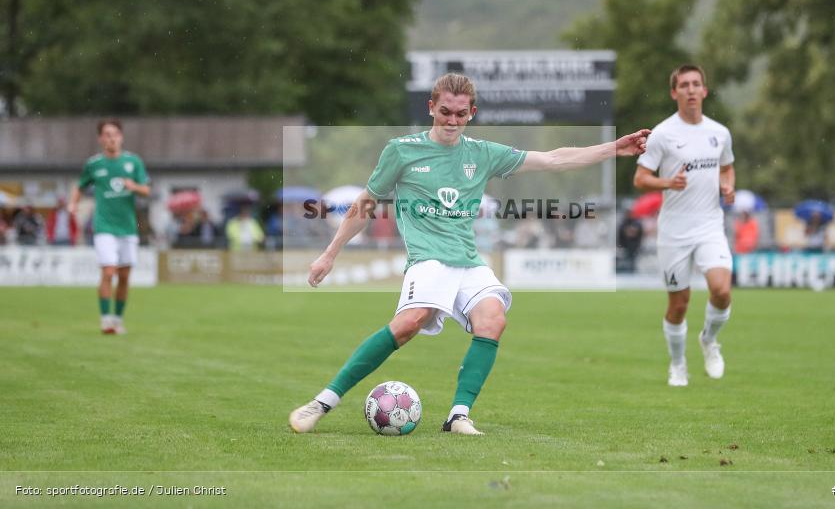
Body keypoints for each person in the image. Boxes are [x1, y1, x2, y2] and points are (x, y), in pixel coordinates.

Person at [290, 73, 650, 435]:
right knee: (409, 323)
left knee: (493, 320)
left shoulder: (481, 154)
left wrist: (614, 148)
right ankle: (322, 402)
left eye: (461, 114)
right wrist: (330, 254)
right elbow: (365, 204)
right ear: (431, 107)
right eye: (445, 111)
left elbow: (554, 159)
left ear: (471, 113)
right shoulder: (401, 150)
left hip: (468, 260)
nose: (452, 120)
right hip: (428, 259)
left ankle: (458, 416)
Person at [633, 64, 735, 387]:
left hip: (709, 225)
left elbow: (727, 168)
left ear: (704, 91)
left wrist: (728, 185)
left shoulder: (720, 133)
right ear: (674, 93)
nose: (691, 90)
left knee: (721, 290)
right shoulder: (662, 134)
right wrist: (667, 183)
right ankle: (678, 364)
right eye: (684, 85)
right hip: (674, 230)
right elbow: (640, 179)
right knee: (679, 305)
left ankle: (709, 339)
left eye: (696, 84)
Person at [69, 119, 150, 335]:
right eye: (106, 134)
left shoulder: (133, 162)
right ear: (100, 138)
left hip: (128, 228)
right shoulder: (94, 164)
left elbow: (147, 190)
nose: (111, 137)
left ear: (121, 137)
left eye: (114, 133)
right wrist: (72, 203)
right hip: (104, 226)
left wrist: (134, 186)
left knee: (124, 277)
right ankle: (105, 321)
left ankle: (117, 319)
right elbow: (80, 186)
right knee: (108, 271)